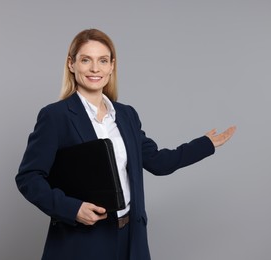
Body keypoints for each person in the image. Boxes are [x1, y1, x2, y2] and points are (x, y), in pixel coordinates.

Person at [15, 28, 236, 260]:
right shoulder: (56, 116)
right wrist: (73, 209)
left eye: (102, 60)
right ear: (71, 64)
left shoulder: (126, 115)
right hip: (83, 241)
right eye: (86, 60)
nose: (95, 69)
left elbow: (159, 162)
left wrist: (205, 144)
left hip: (131, 239)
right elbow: (28, 178)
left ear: (112, 66)